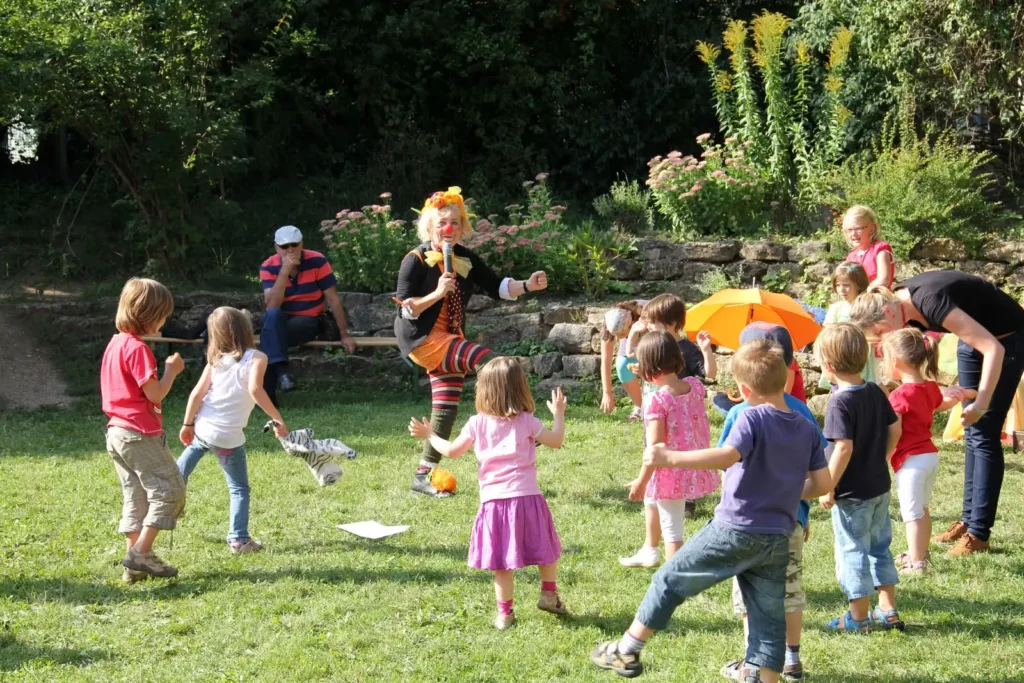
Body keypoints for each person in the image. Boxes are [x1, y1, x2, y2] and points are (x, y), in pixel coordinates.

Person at [589, 339, 831, 683]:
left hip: (735, 530)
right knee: (768, 617)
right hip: (777, 536)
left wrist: (669, 457)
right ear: (785, 381)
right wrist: (788, 492)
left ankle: (627, 649)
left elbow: (726, 456)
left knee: (670, 577)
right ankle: (765, 678)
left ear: (744, 389)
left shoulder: (751, 417)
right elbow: (822, 483)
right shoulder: (807, 428)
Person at [849, 270, 1024, 556]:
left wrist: (981, 403)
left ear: (886, 314)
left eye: (879, 333)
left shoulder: (929, 300)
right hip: (974, 341)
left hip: (1007, 340)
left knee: (985, 432)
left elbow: (993, 348)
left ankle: (979, 534)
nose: (884, 339)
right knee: (972, 433)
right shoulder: (903, 309)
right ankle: (967, 522)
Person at [395, 186, 548, 498]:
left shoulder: (465, 257)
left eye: (454, 222)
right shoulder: (415, 260)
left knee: (445, 408)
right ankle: (524, 422)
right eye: (441, 223)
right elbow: (406, 308)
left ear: (463, 225)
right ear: (430, 226)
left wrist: (528, 286)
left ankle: (422, 477)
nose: (448, 229)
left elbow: (498, 287)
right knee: (495, 365)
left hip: (450, 337)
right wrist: (437, 293)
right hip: (421, 339)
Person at [408, 358, 567, 630]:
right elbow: (557, 440)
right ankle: (548, 594)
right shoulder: (528, 421)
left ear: (483, 390)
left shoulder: (476, 423)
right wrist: (559, 413)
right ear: (520, 388)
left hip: (494, 503)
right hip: (527, 496)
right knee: (545, 548)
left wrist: (430, 435)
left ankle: (504, 614)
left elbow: (452, 452)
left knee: (502, 562)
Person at [719, 324, 828, 682]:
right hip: (789, 520)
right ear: (791, 370)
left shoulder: (739, 414)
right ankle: (791, 659)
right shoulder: (803, 412)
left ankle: (755, 663)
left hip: (748, 524)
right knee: (789, 591)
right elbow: (813, 469)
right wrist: (804, 513)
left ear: (743, 383)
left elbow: (727, 465)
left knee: (752, 594)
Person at [176, 307, 289, 554]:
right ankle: (238, 539)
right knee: (239, 488)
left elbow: (196, 394)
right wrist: (277, 418)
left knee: (183, 467)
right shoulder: (258, 357)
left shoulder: (215, 361)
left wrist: (187, 424)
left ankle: (166, 500)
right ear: (246, 329)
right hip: (228, 437)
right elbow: (256, 390)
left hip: (203, 429)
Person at [816, 323, 903, 633]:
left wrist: (827, 485)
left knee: (853, 549)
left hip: (851, 494)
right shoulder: (876, 391)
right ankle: (888, 608)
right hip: (879, 486)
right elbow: (896, 428)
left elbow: (843, 448)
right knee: (880, 546)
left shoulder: (839, 401)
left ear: (827, 366)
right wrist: (882, 457)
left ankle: (858, 616)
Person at [100, 278, 187, 582]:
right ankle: (141, 553)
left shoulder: (115, 344)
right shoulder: (138, 349)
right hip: (139, 433)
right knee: (170, 491)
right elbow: (155, 394)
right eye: (163, 315)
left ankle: (132, 568)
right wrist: (171, 372)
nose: (164, 322)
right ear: (148, 314)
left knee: (135, 496)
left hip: (116, 433)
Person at [882, 328, 975, 573]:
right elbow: (940, 405)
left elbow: (895, 431)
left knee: (911, 515)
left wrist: (883, 456)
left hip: (910, 462)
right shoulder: (930, 387)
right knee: (922, 510)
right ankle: (919, 554)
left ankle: (917, 563)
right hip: (929, 458)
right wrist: (956, 397)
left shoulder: (899, 395)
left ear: (896, 361)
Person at [620, 332, 715, 569]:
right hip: (691, 463)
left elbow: (655, 449)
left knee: (673, 528)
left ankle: (675, 577)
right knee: (652, 502)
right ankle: (650, 551)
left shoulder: (657, 400)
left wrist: (641, 482)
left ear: (649, 369)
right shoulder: (695, 386)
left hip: (670, 473)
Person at [259, 225, 355, 401]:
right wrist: (284, 271)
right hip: (281, 319)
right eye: (284, 246)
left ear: (301, 243)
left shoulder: (317, 260)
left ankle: (270, 392)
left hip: (309, 319)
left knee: (270, 336)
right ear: (276, 248)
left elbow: (333, 299)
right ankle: (282, 374)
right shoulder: (268, 266)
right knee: (272, 318)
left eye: (294, 245)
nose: (290, 250)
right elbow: (272, 305)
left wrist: (344, 334)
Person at [624, 293, 717, 383]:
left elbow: (710, 374)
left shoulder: (687, 349)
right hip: (653, 396)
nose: (648, 326)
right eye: (648, 322)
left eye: (652, 322)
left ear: (672, 323)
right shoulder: (651, 343)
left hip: (677, 398)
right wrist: (633, 331)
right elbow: (630, 353)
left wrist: (706, 350)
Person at [819, 262, 877, 390]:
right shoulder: (836, 308)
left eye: (846, 285)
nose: (841, 289)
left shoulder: (866, 306)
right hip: (839, 354)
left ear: (859, 284)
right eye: (838, 285)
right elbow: (826, 333)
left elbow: (873, 332)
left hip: (861, 355)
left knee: (867, 387)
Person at [599, 300, 647, 420]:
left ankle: (654, 406)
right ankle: (640, 407)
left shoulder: (647, 315)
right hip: (632, 336)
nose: (617, 337)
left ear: (631, 323)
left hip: (652, 338)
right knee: (622, 366)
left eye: (621, 333)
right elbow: (606, 361)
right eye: (614, 334)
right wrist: (607, 393)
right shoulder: (611, 323)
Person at [841, 205, 894, 289]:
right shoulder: (851, 257)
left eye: (858, 228)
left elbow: (883, 280)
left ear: (872, 229)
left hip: (878, 298)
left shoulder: (880, 250)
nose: (853, 234)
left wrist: (863, 292)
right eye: (849, 230)